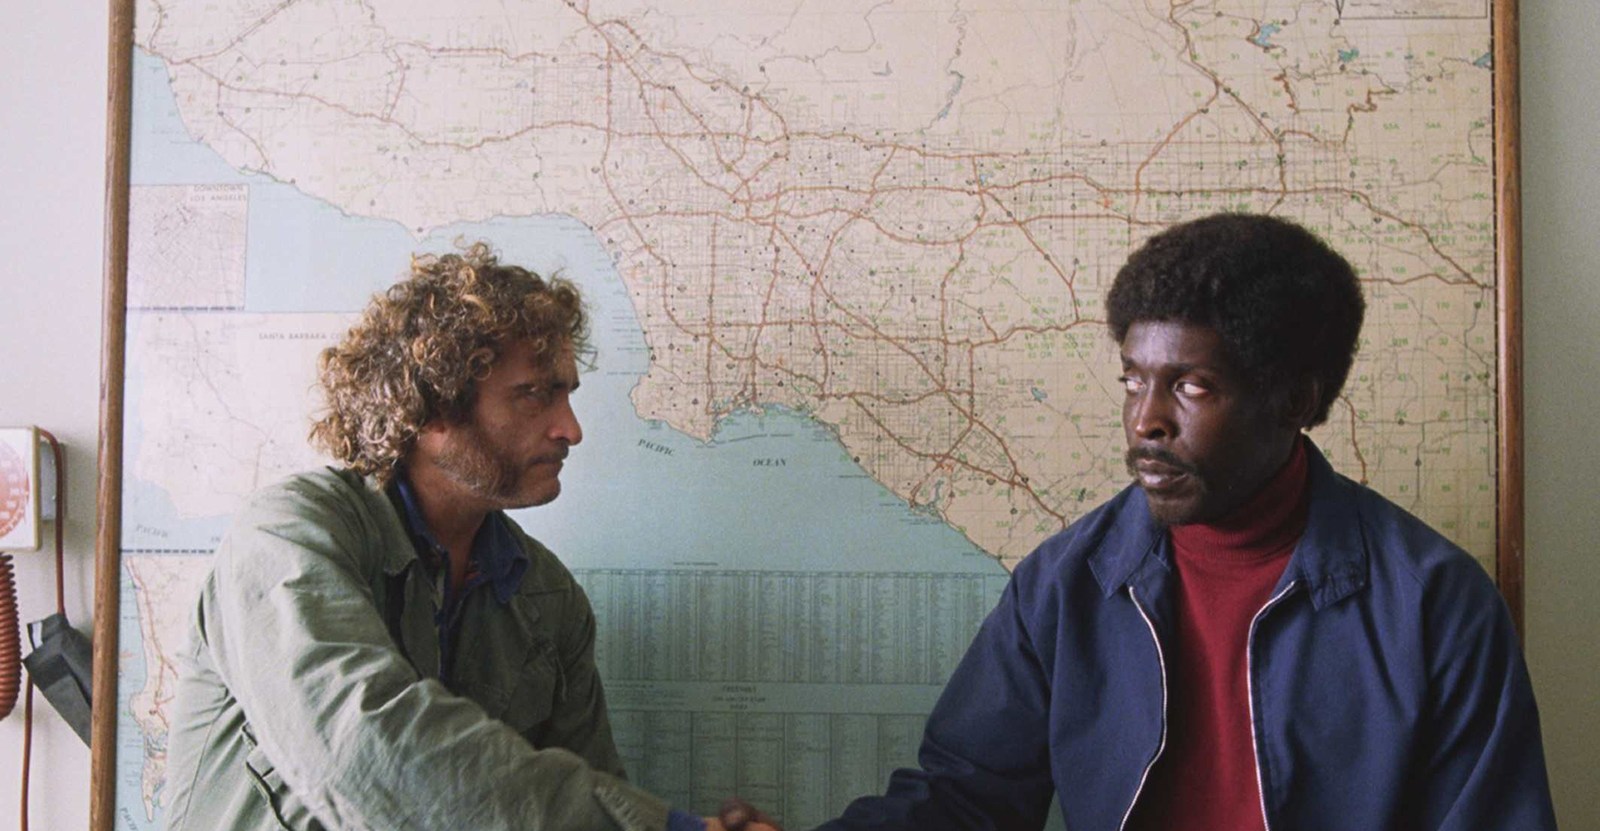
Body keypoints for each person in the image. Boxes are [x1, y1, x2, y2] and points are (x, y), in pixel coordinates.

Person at [814, 213, 1556, 830]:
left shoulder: (1436, 604)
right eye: (1134, 379)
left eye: (1191, 385)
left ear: (1295, 401)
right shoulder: (1065, 584)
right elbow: (963, 801)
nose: (1146, 420)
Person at [162, 244, 779, 831]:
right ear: (432, 407)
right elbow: (367, 749)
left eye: (565, 393)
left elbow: (595, 790)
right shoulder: (292, 535)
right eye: (534, 395)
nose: (570, 429)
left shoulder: (550, 599)